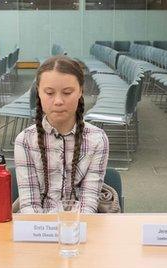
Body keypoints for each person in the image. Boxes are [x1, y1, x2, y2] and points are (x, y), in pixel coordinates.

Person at [13, 56, 109, 213]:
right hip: (39, 230)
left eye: (67, 92)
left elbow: (89, 203)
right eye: (49, 93)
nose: (58, 101)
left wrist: (71, 232)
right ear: (38, 93)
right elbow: (30, 205)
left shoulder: (97, 139)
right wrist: (46, 233)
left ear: (80, 91)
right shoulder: (25, 141)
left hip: (80, 228)